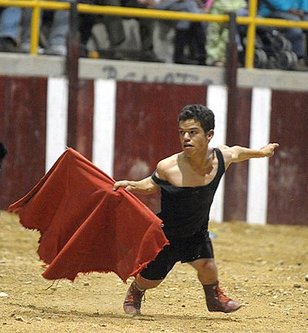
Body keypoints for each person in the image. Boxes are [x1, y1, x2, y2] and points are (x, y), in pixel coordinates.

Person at [113, 104, 279, 315]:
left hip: (197, 231)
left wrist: (262, 152)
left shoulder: (221, 158)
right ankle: (135, 292)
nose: (186, 138)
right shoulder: (169, 167)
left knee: (208, 267)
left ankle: (214, 299)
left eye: (193, 132)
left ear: (209, 135)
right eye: (182, 133)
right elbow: (150, 185)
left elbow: (237, 152)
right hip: (167, 235)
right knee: (151, 279)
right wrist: (132, 185)